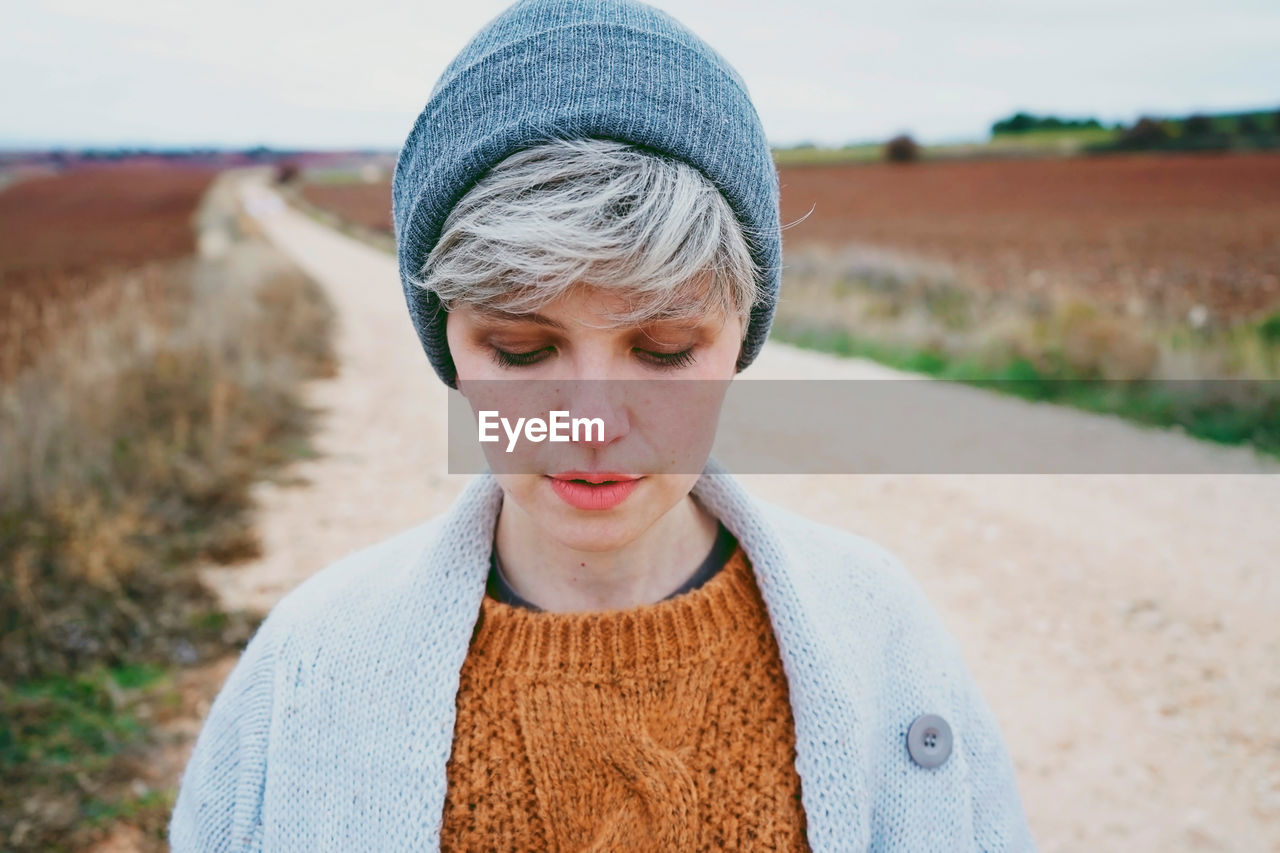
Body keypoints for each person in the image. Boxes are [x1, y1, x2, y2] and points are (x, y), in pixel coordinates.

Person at [169, 0, 1036, 850]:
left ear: (742, 338)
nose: (592, 425)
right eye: (519, 349)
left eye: (662, 350)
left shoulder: (885, 636)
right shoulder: (306, 667)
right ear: (451, 349)